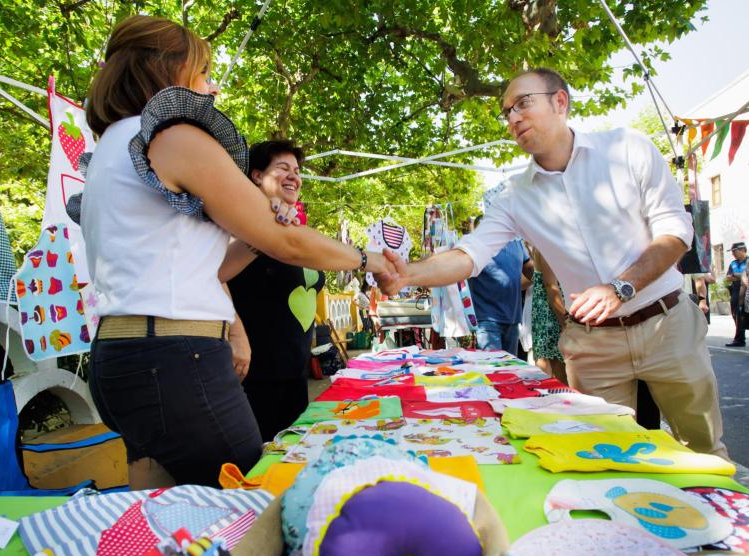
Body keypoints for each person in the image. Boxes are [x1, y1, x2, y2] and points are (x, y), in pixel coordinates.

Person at [80, 16, 391, 489]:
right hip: (176, 361)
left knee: (162, 515)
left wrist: (255, 234)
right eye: (203, 74)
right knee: (250, 508)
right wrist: (369, 260)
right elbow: (285, 240)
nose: (212, 90)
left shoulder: (113, 146)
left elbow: (213, 267)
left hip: (122, 357)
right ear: (171, 71)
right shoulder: (172, 136)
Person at [377, 67, 728, 459]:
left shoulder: (627, 148)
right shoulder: (514, 196)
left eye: (523, 103)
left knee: (703, 451)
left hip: (667, 326)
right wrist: (409, 273)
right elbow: (469, 254)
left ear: (560, 102)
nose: (513, 117)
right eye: (506, 111)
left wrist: (620, 287)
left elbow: (676, 233)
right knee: (607, 459)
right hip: (593, 346)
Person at [223, 140, 325, 442]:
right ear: (256, 176)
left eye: (297, 170)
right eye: (283, 168)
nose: (294, 175)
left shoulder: (293, 227)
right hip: (255, 372)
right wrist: (236, 334)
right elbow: (213, 274)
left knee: (291, 454)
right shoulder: (237, 223)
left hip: (294, 369)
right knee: (262, 464)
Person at [466, 230, 533, 354]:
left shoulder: (516, 241)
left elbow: (530, 269)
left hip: (512, 318)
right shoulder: (477, 245)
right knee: (493, 367)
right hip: (487, 319)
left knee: (509, 368)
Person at [529, 248, 567, 384]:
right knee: (553, 366)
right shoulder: (544, 246)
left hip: (554, 313)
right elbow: (551, 286)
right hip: (552, 314)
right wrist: (565, 322)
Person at [725, 241, 747, 347]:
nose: (733, 253)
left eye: (735, 251)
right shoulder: (733, 263)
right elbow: (728, 277)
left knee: (744, 314)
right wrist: (740, 276)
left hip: (746, 291)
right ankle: (739, 338)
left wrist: (736, 275)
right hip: (735, 290)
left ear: (743, 250)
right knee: (736, 314)